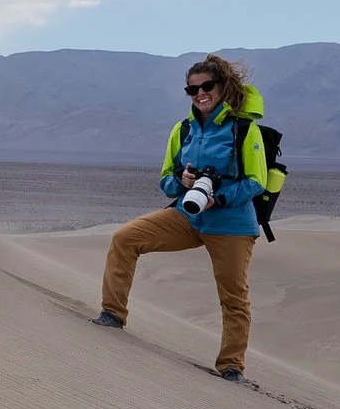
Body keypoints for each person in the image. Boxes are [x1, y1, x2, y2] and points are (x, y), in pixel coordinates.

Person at [92, 54, 270, 379]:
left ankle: (232, 366)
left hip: (230, 225)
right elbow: (165, 178)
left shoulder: (244, 130)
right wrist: (182, 182)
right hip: (188, 216)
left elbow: (257, 181)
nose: (200, 94)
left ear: (222, 87)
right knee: (125, 238)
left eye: (207, 86)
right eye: (192, 89)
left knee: (233, 297)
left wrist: (220, 197)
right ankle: (112, 314)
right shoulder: (183, 129)